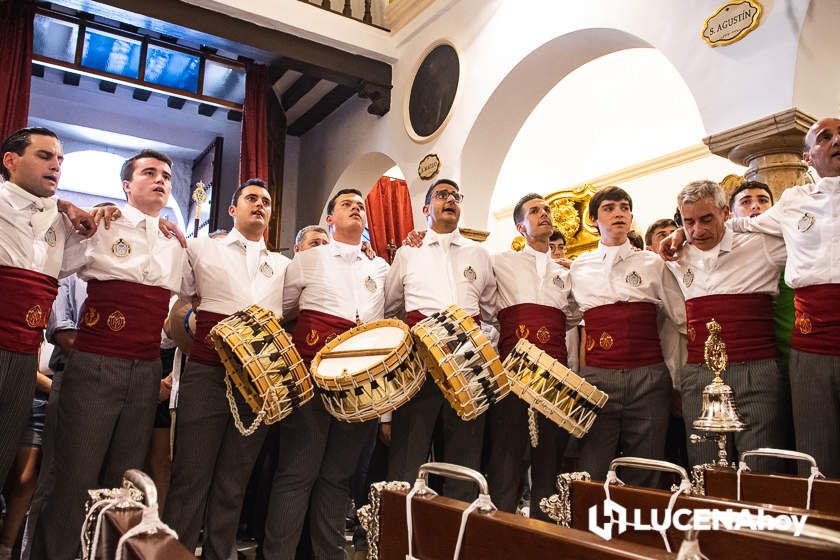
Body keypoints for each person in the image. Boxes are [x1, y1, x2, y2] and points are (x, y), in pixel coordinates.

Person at [32, 149, 186, 560]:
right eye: (149, 172)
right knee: (73, 477)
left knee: (122, 484)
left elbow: (187, 305)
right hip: (96, 363)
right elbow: (53, 265)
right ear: (126, 186)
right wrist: (71, 211)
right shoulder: (101, 225)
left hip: (146, 371)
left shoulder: (175, 242)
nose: (160, 179)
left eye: (166, 175)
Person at [163, 178, 290, 559]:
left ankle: (221, 554)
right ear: (233, 209)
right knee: (190, 478)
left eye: (266, 201)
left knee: (234, 482)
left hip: (258, 382)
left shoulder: (285, 266)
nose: (260, 205)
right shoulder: (201, 248)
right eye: (251, 198)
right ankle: (176, 554)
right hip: (207, 373)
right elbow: (179, 301)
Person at [263, 189, 389, 559]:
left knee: (337, 478)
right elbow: (282, 309)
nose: (357, 208)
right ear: (329, 218)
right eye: (346, 204)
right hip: (312, 380)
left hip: (361, 384)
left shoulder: (379, 268)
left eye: (361, 205)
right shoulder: (307, 260)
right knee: (297, 474)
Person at [384, 178, 497, 501]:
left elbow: (490, 312)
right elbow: (392, 308)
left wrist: (477, 340)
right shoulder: (407, 253)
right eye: (441, 195)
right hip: (420, 361)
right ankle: (400, 537)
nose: (450, 200)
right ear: (426, 208)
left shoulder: (479, 254)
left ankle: (455, 536)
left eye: (455, 196)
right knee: (409, 453)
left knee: (465, 452)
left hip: (467, 362)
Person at [666, 180, 789, 470]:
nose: (698, 230)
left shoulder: (762, 244)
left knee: (761, 466)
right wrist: (677, 234)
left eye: (706, 219)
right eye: (689, 222)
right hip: (699, 374)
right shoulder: (676, 253)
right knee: (705, 468)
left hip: (755, 369)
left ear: (725, 212)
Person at [570, 186, 685, 485]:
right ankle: (591, 529)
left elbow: (679, 316)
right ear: (593, 219)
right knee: (592, 467)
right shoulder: (578, 267)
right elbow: (568, 316)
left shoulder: (652, 262)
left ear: (631, 217)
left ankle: (639, 530)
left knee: (645, 466)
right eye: (609, 208)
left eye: (624, 207)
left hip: (648, 375)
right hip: (598, 377)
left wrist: (678, 376)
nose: (618, 213)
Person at [0, 127, 94, 489]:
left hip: (25, 353)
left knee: (4, 454)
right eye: (44, 156)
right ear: (11, 161)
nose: (56, 165)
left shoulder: (61, 222)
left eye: (59, 159)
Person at [487, 193, 579, 519]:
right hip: (512, 374)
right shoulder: (500, 262)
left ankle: (544, 536)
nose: (544, 214)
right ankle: (500, 532)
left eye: (546, 209)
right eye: (535, 211)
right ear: (520, 226)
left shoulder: (566, 273)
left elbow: (570, 317)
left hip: (554, 375)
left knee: (550, 460)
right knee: (507, 457)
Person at [729, 181, 796, 378]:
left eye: (763, 200)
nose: (756, 206)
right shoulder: (728, 253)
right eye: (746, 202)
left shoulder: (793, 242)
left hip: (800, 349)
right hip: (755, 357)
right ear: (731, 213)